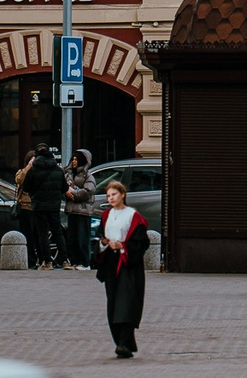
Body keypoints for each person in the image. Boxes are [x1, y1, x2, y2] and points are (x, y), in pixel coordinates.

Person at [97, 176, 152, 360]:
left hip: (129, 265)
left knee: (126, 303)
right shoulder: (106, 216)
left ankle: (124, 342)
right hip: (111, 264)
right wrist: (105, 244)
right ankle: (123, 343)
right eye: (108, 195)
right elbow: (100, 237)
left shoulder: (133, 217)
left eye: (114, 194)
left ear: (122, 195)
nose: (110, 198)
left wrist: (122, 246)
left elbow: (141, 242)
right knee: (113, 302)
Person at [20, 146, 65, 268]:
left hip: (39, 205)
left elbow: (26, 187)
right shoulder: (58, 170)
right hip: (54, 206)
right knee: (58, 233)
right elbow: (64, 188)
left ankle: (47, 262)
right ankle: (65, 260)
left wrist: (35, 194)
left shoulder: (33, 170)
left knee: (43, 234)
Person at [64, 149, 96, 272]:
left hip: (83, 211)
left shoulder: (88, 175)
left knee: (82, 238)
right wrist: (66, 193)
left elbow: (88, 191)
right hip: (72, 210)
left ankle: (85, 262)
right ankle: (74, 261)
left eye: (77, 159)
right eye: (73, 159)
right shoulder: (69, 174)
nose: (74, 161)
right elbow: (63, 188)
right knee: (72, 238)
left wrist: (74, 194)